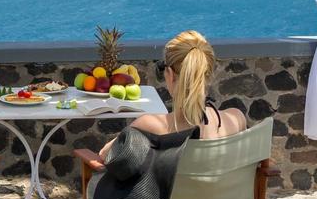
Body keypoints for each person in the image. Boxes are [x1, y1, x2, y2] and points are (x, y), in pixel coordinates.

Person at [101, 30, 247, 157]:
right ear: (208, 74)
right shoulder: (236, 119)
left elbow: (105, 155)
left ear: (170, 74)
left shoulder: (149, 126)